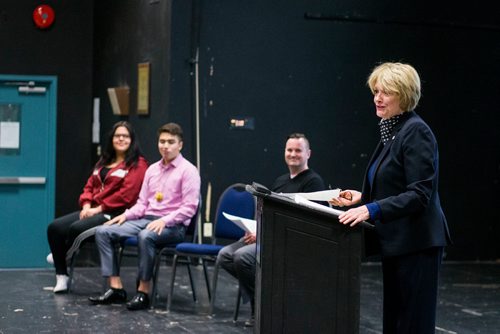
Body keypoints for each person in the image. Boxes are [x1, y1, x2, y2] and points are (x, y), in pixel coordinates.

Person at [329, 62, 451, 334]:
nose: (377, 98)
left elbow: (419, 194)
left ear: (405, 95)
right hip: (398, 243)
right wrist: (362, 198)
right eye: (375, 91)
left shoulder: (416, 131)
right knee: (397, 323)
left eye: (386, 92)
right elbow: (396, 184)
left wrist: (372, 209)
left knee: (412, 324)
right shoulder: (393, 130)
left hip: (417, 244)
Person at [217, 133, 326, 326]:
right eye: (289, 150)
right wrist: (253, 229)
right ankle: (265, 299)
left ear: (309, 153)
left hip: (289, 241)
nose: (293, 154)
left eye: (298, 150)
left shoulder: (313, 182)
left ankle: (259, 308)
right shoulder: (281, 180)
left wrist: (263, 234)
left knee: (242, 257)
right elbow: (269, 212)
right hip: (268, 235)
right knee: (225, 255)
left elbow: (308, 222)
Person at [88, 122, 201, 311]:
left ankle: (143, 292)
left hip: (174, 226)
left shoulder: (188, 171)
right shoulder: (152, 169)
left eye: (170, 142)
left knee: (145, 236)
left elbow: (189, 208)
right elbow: (142, 203)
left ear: (180, 145)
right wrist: (125, 215)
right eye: (162, 141)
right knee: (103, 231)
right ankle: (116, 288)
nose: (165, 146)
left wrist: (164, 220)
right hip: (146, 219)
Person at [46, 121, 148, 293]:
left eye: (125, 136)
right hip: (92, 210)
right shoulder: (104, 161)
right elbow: (89, 186)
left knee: (77, 228)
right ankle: (61, 276)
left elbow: (126, 195)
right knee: (54, 228)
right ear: (112, 139)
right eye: (117, 136)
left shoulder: (138, 164)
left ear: (132, 140)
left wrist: (97, 209)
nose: (121, 139)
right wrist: (86, 204)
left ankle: (62, 257)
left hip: (115, 214)